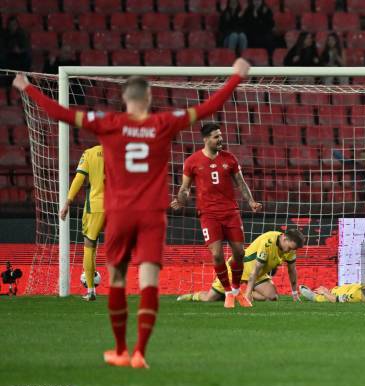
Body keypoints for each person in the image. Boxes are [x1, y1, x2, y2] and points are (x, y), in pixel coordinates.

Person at [13, 58, 250, 369]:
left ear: (125, 99)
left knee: (119, 280)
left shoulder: (108, 122)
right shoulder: (163, 123)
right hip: (151, 214)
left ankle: (121, 349)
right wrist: (234, 77)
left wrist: (27, 87)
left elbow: (61, 113)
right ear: (149, 99)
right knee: (149, 281)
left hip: (120, 213)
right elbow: (208, 107)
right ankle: (140, 352)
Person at [171, 123, 262, 308]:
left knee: (240, 252)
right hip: (208, 214)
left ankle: (237, 291)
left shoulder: (229, 158)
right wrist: (181, 200)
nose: (220, 139)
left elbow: (241, 183)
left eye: (220, 135)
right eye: (216, 136)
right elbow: (185, 189)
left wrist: (251, 201)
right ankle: (228, 292)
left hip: (231, 212)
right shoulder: (192, 161)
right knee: (217, 255)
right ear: (206, 139)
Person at [177, 229, 304, 303]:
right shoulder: (268, 242)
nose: (289, 251)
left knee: (272, 297)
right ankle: (193, 296)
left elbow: (292, 271)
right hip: (238, 268)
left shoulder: (291, 250)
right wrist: (249, 294)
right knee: (210, 298)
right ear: (284, 238)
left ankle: (237, 294)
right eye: (289, 248)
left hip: (257, 275)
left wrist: (294, 293)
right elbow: (255, 270)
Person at [59, 144, 104, 301]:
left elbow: (79, 178)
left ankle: (91, 290)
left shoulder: (90, 153)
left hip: (96, 206)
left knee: (89, 245)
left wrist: (67, 203)